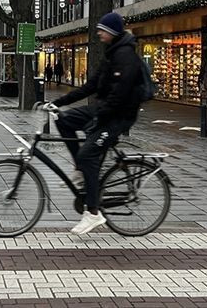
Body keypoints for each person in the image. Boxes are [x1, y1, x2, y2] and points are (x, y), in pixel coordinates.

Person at [46, 12, 144, 235]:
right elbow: (91, 86)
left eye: (102, 30)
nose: (98, 33)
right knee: (64, 120)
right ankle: (81, 170)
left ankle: (93, 213)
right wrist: (58, 102)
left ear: (112, 32)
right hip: (103, 111)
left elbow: (120, 96)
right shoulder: (111, 54)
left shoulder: (125, 56)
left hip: (118, 117)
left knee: (87, 155)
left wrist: (100, 118)